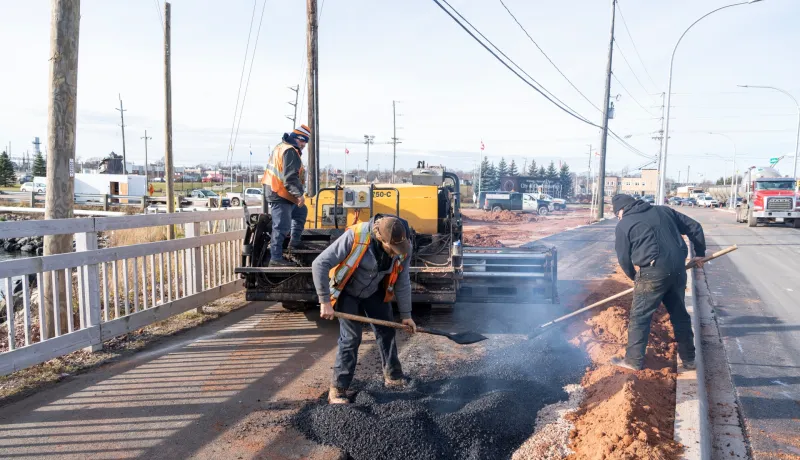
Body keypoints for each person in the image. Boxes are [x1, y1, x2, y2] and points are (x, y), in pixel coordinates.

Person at [311, 214, 417, 404]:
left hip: (375, 290)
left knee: (387, 331)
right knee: (351, 338)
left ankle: (393, 376)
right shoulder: (356, 236)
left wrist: (406, 315)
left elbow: (402, 282)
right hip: (348, 291)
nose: (396, 253)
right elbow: (319, 263)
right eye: (391, 248)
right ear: (380, 238)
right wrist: (324, 301)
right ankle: (338, 389)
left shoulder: (404, 246)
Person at [610, 194, 706, 371]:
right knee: (679, 315)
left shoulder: (624, 224)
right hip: (678, 270)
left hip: (652, 272)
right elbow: (695, 227)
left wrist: (635, 277)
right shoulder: (665, 211)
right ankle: (689, 360)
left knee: (640, 317)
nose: (619, 218)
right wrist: (700, 253)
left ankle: (633, 360)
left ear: (621, 210)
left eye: (618, 214)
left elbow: (624, 259)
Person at [262, 125, 311, 266]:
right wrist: (299, 194)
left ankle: (294, 242)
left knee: (301, 211)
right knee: (281, 226)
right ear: (298, 138)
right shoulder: (290, 151)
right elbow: (290, 177)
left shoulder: (281, 147)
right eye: (304, 142)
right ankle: (275, 258)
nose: (304, 145)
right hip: (279, 193)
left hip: (281, 192)